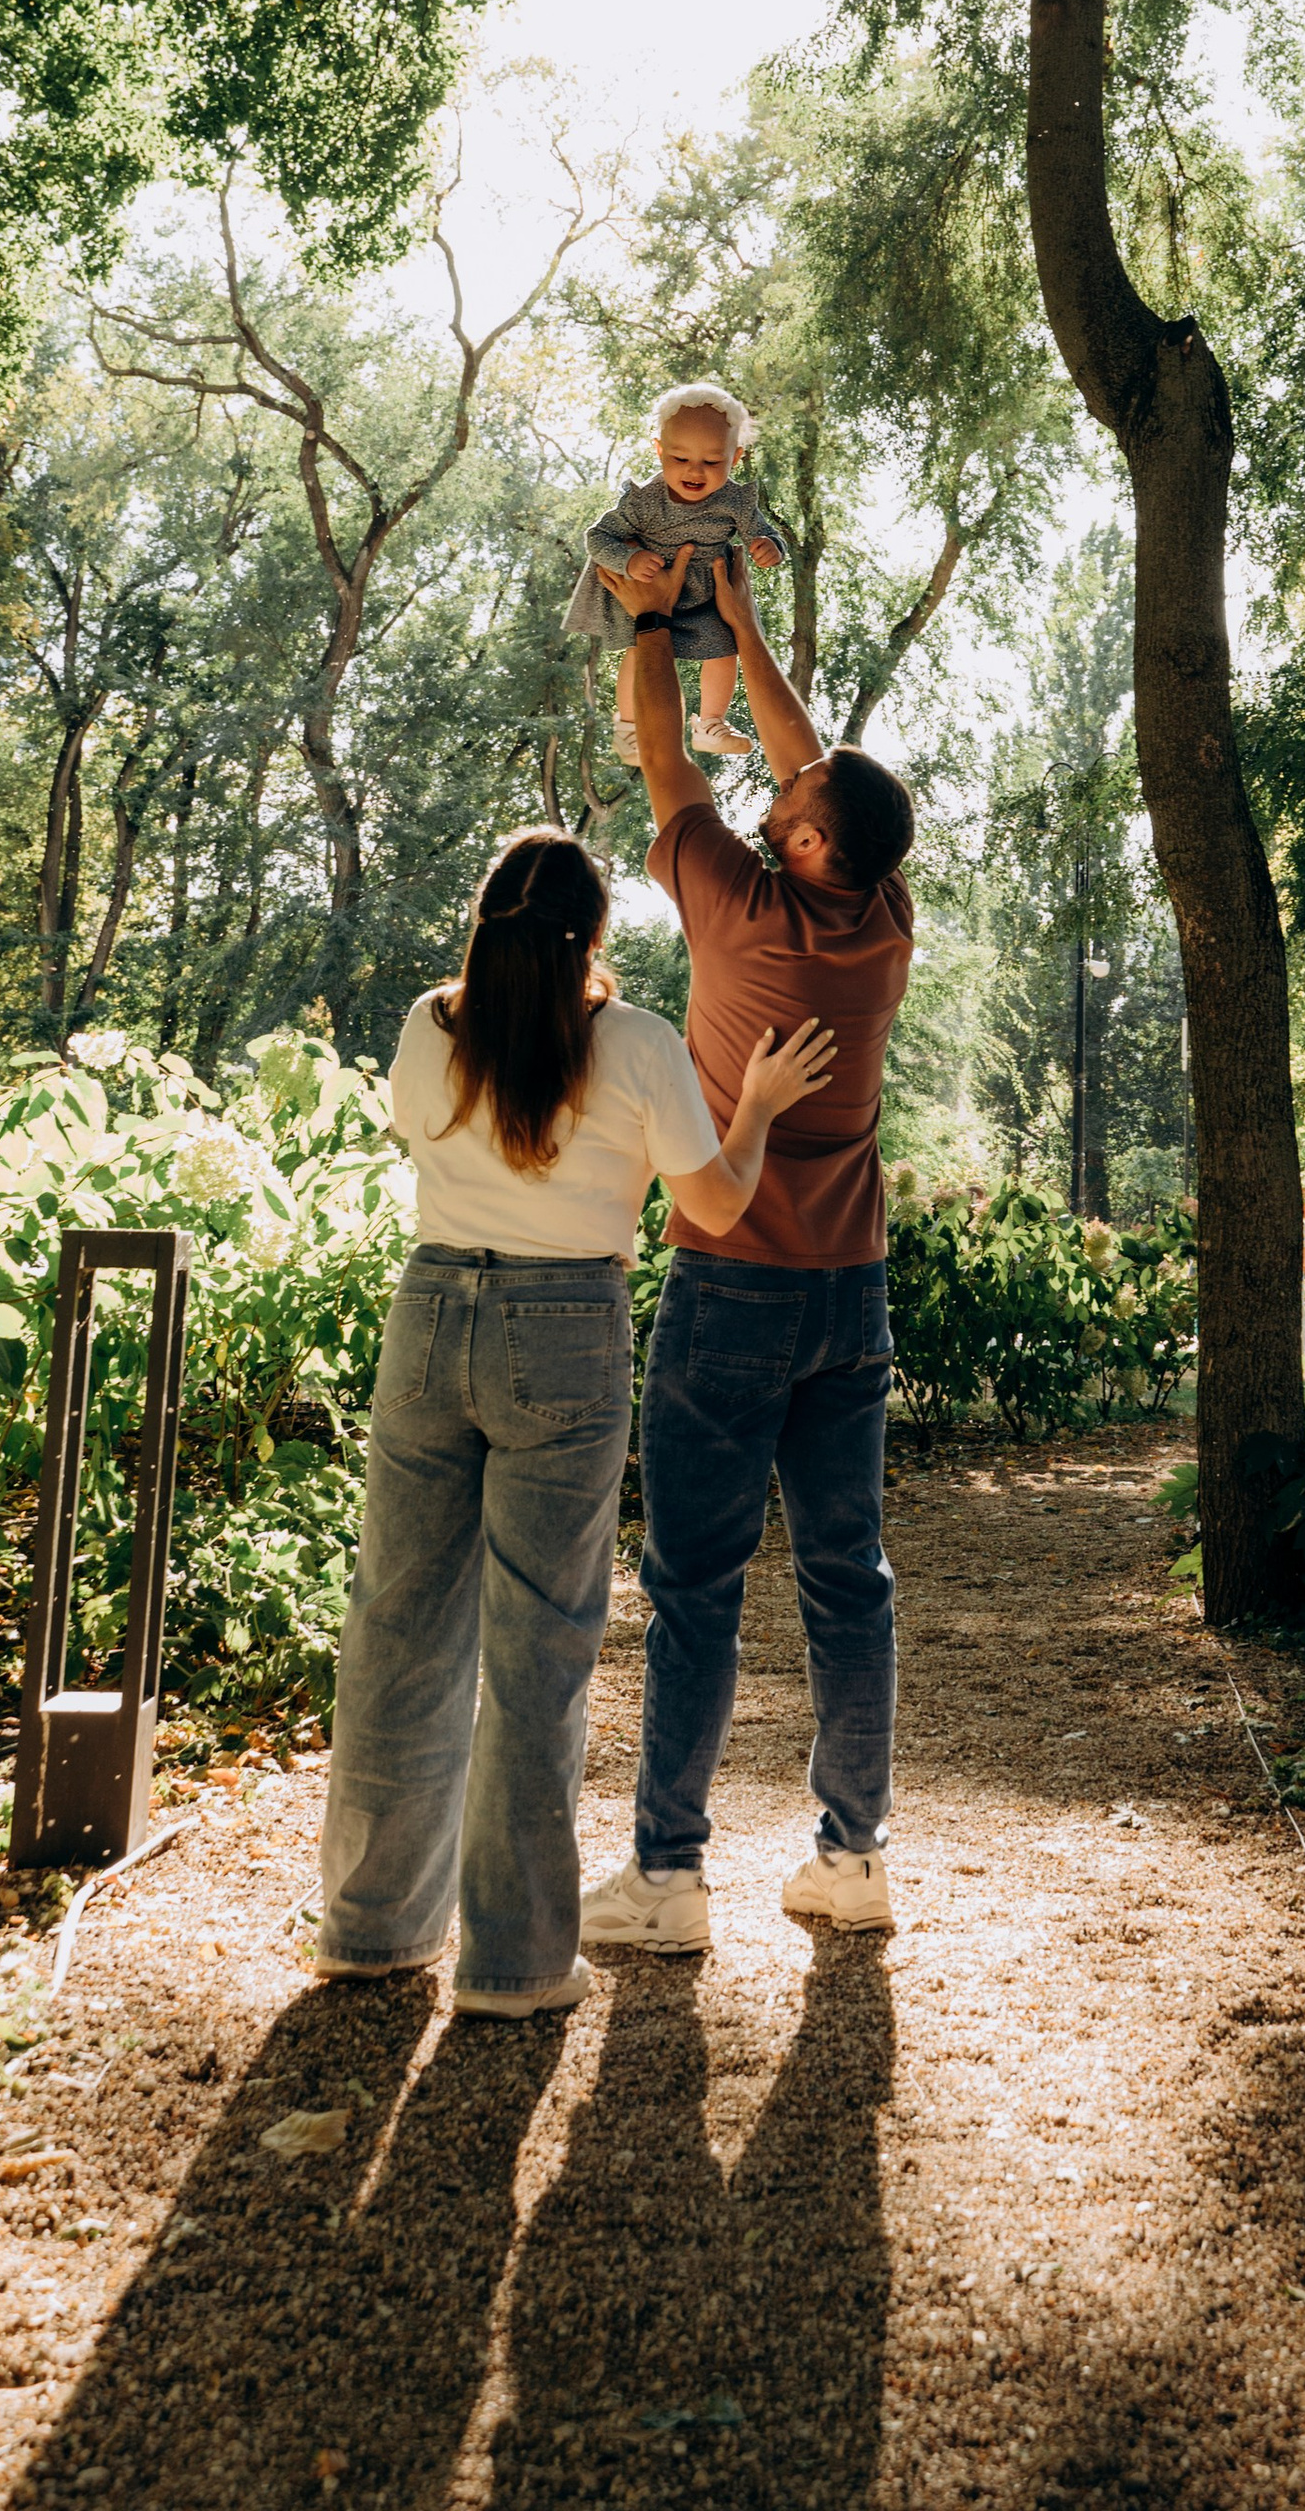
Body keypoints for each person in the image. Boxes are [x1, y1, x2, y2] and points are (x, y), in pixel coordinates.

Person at [312, 828, 835, 2016]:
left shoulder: (429, 1025)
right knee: (538, 1650)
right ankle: (512, 1962)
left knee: (395, 1622)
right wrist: (750, 1108)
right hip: (566, 1323)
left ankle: (371, 1926)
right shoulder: (639, 1043)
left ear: (484, 920)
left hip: (432, 1307)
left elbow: (424, 1137)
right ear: (596, 934)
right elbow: (713, 1200)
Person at [580, 535, 917, 1954]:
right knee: (849, 1575)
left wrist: (654, 626)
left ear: (809, 843)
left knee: (696, 1587)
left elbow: (670, 766)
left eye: (792, 800)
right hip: (851, 1292)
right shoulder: (881, 917)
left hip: (730, 1288)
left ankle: (666, 1879)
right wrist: (749, 616)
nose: (775, 785)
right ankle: (853, 1858)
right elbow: (807, 758)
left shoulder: (740, 905)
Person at [562, 379, 787, 766]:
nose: (695, 471)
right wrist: (628, 561)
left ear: (735, 458)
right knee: (641, 650)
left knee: (724, 650)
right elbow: (598, 538)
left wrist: (771, 547)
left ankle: (712, 725)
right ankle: (632, 729)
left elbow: (763, 531)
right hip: (650, 586)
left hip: (707, 593)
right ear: (659, 450)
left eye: (712, 461)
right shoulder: (644, 501)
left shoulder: (736, 500)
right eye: (680, 458)